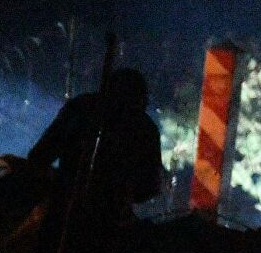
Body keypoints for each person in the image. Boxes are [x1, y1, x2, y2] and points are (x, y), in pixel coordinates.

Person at [30, 67, 164, 228]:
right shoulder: (144, 127)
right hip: (111, 225)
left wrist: (63, 182)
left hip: (63, 218)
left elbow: (39, 156)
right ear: (140, 99)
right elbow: (150, 186)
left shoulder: (80, 108)